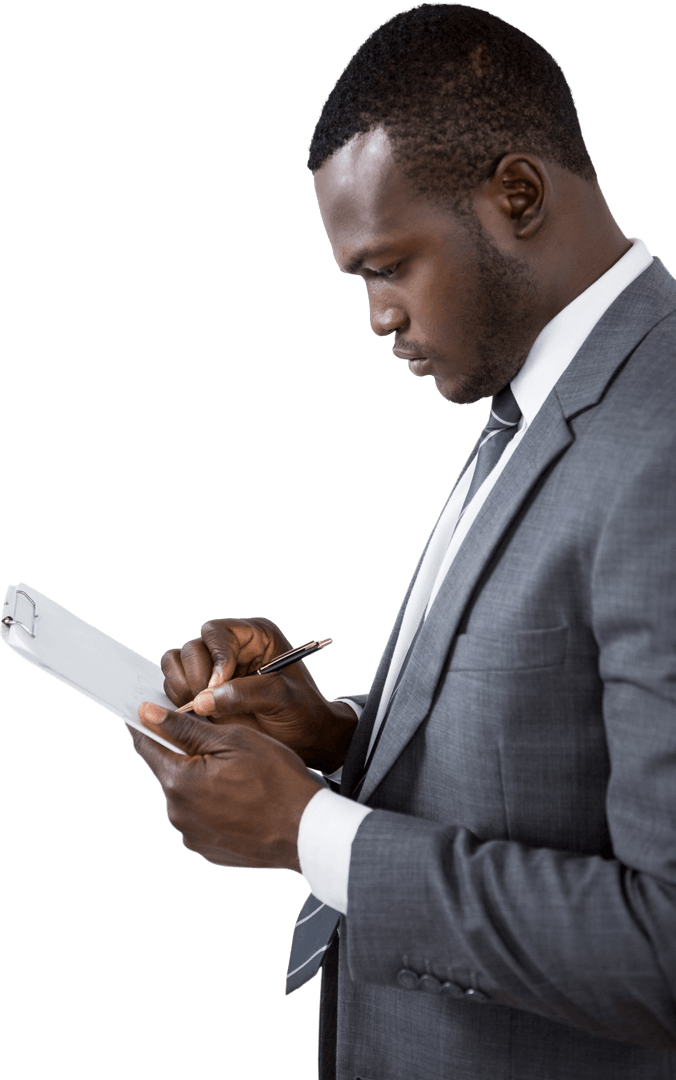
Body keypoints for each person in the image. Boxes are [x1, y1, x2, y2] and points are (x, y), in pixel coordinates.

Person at [130, 5, 676, 1077]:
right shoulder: (545, 402)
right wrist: (334, 738)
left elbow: (661, 941)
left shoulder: (658, 438)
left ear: (514, 196)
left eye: (389, 265)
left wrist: (313, 837)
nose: (378, 316)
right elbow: (558, 746)